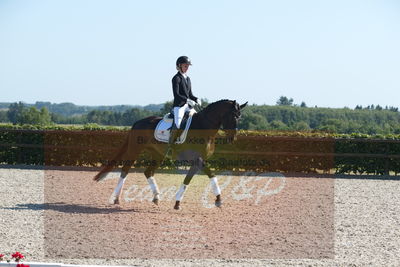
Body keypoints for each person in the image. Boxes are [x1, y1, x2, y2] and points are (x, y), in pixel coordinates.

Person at [169, 56, 201, 145]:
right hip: (179, 106)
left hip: (188, 106)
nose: (187, 68)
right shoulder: (176, 78)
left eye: (188, 66)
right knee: (178, 124)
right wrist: (187, 100)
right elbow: (176, 95)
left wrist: (196, 99)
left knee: (198, 119)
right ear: (179, 66)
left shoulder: (188, 78)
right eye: (185, 66)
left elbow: (190, 94)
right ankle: (171, 144)